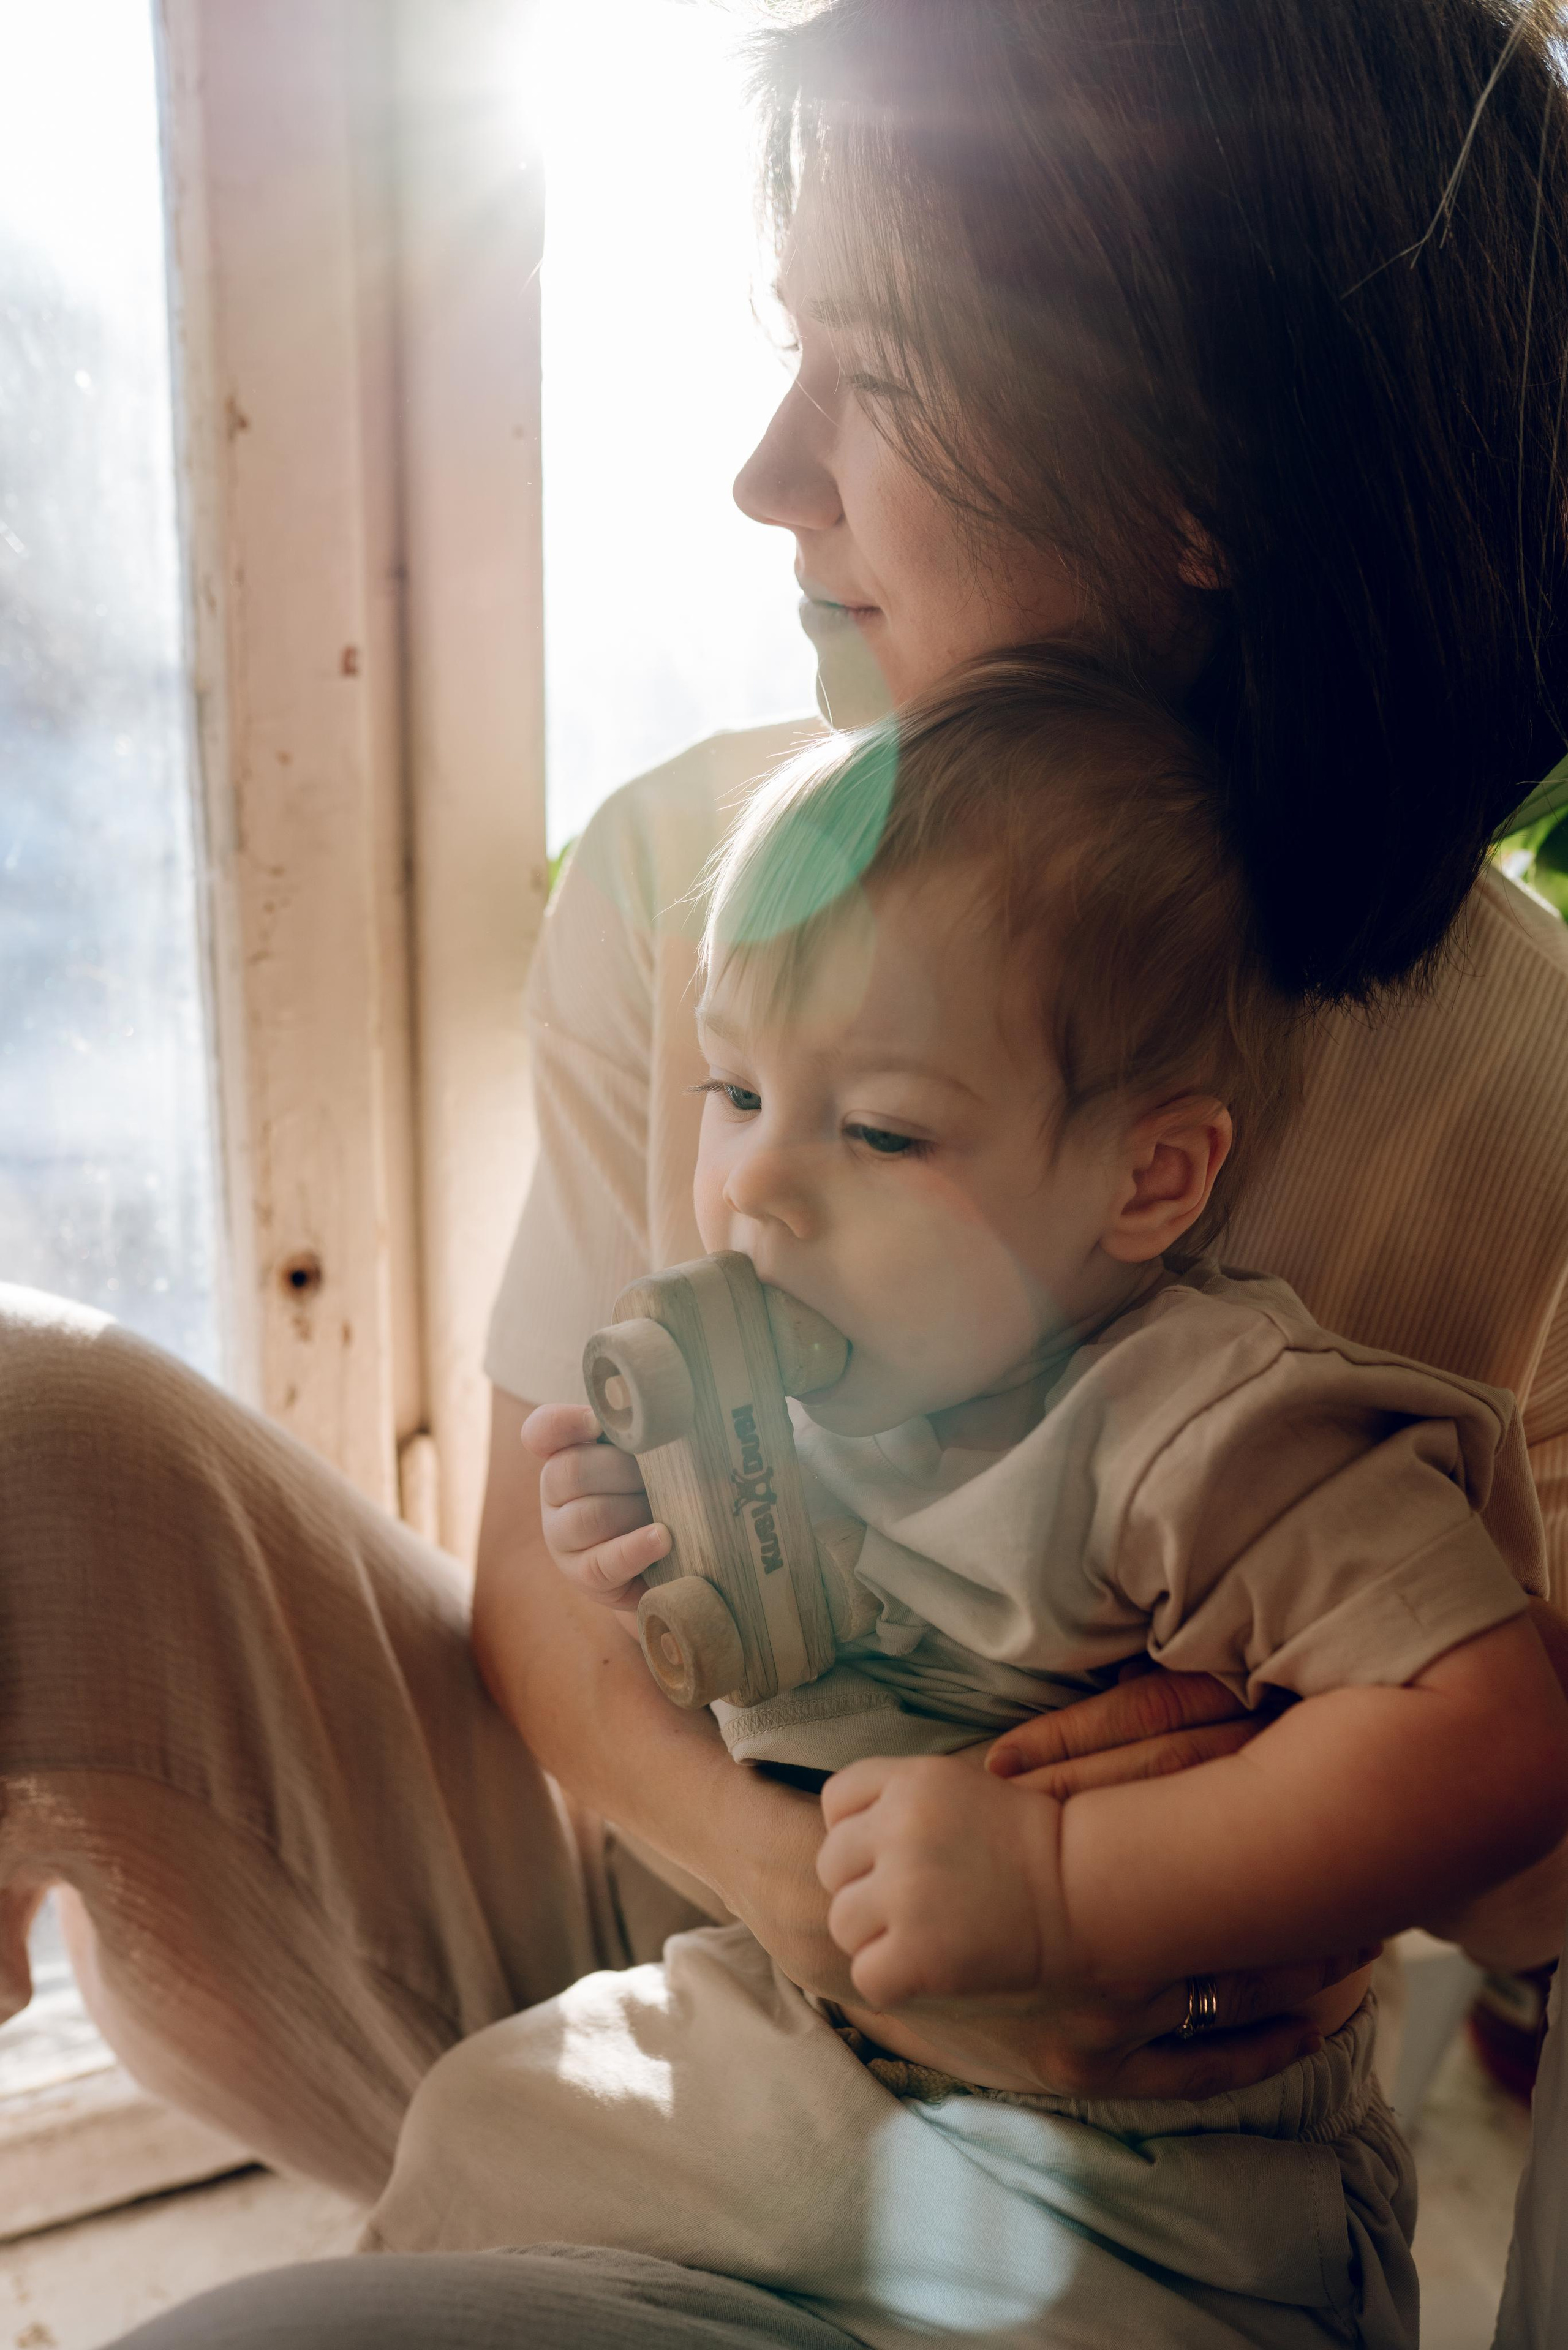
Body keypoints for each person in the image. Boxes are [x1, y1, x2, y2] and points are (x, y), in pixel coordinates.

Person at [4, 1, 1568, 2343]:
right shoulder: (696, 881)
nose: (767, 476)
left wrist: (1119, 1887)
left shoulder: (1513, 1077)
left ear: (1205, 479)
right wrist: (799, 1886)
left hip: (1111, 2144)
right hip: (671, 1930)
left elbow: (1519, 1803)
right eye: (785, 354)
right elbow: (550, 1569)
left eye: (879, 377)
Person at [405, 649, 1568, 2344]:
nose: (755, 1193)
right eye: (735, 1095)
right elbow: (739, 1659)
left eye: (878, 1134)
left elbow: (1494, 1732)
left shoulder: (1195, 1425)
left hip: (1153, 2155)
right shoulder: (832, 1377)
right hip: (802, 2032)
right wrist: (637, 1548)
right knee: (478, 2126)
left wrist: (1067, 1886)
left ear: (1146, 1178)